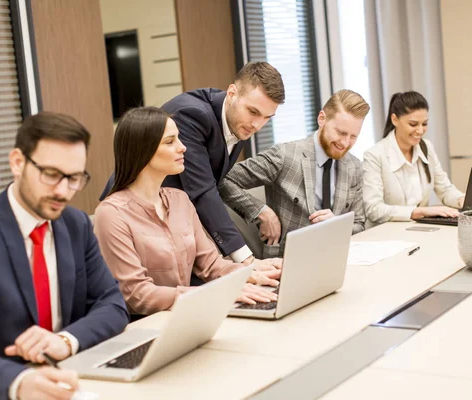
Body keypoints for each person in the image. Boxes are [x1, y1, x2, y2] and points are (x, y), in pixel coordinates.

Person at [0, 112, 129, 400]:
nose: (63, 191)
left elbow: (111, 303)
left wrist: (65, 340)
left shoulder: (76, 224)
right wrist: (18, 382)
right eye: (51, 174)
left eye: (73, 178)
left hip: (71, 376)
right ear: (17, 162)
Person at [94, 107, 281, 315]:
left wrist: (252, 274)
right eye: (170, 141)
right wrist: (211, 294)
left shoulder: (179, 200)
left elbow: (211, 265)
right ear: (142, 150)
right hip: (144, 326)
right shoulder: (111, 214)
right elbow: (138, 294)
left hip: (188, 313)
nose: (182, 148)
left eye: (179, 139)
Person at [100, 61, 285, 268]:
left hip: (171, 217)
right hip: (134, 214)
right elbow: (203, 190)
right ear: (232, 93)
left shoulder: (238, 120)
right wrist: (246, 260)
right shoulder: (191, 114)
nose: (257, 124)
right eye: (253, 112)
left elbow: (210, 183)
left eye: (267, 117)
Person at [218, 89, 368, 258]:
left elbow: (359, 225)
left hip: (338, 258)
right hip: (288, 262)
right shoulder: (284, 156)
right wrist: (261, 211)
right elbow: (223, 179)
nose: (345, 142)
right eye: (340, 132)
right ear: (322, 119)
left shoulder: (354, 167)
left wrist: (336, 224)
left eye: (353, 136)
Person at [362, 91, 465, 227]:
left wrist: (462, 199)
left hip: (418, 231)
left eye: (424, 124)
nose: (420, 130)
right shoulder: (375, 155)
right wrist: (419, 212)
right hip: (386, 236)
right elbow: (373, 209)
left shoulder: (426, 147)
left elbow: (445, 189)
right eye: (413, 124)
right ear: (395, 120)